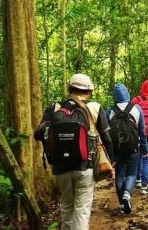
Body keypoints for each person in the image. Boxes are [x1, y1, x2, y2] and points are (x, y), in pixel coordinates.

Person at [34, 73, 114, 230]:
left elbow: (38, 134)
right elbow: (107, 138)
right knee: (81, 211)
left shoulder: (55, 108)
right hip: (85, 166)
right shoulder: (95, 107)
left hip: (60, 168)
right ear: (89, 91)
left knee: (66, 207)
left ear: (69, 88)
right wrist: (111, 161)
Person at [106, 84, 148, 214]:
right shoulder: (136, 109)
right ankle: (127, 195)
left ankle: (121, 205)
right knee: (131, 173)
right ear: (127, 94)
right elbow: (142, 131)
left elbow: (106, 133)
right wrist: (145, 149)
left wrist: (108, 153)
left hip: (116, 148)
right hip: (133, 147)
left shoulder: (110, 110)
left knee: (119, 174)